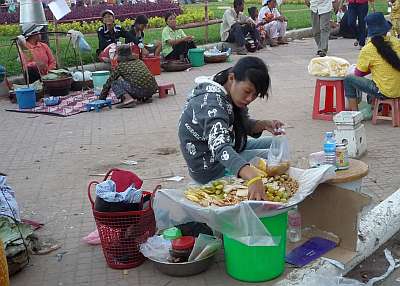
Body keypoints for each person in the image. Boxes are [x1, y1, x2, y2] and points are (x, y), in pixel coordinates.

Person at [178, 57, 285, 201]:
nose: (249, 99)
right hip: (211, 166)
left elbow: (242, 124)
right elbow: (220, 147)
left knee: (275, 145)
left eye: (255, 95)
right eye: (247, 91)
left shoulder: (229, 90)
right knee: (271, 158)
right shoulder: (211, 103)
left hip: (232, 144)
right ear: (232, 78)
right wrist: (253, 177)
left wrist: (264, 124)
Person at [344, 12, 400, 111]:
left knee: (349, 79)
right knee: (377, 78)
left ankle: (354, 114)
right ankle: (378, 107)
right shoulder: (396, 42)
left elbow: (359, 73)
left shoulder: (368, 49)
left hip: (386, 91)